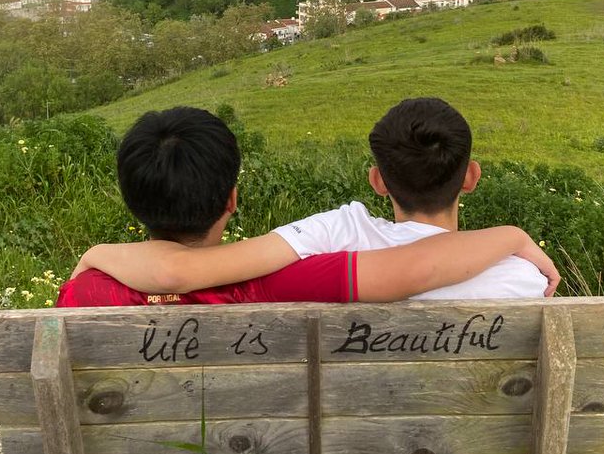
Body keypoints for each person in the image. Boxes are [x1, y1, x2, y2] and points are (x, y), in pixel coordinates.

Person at [57, 103, 556, 307]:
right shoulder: (273, 286)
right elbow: (415, 267)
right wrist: (511, 237)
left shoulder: (82, 299)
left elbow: (172, 273)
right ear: (232, 198)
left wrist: (97, 255)